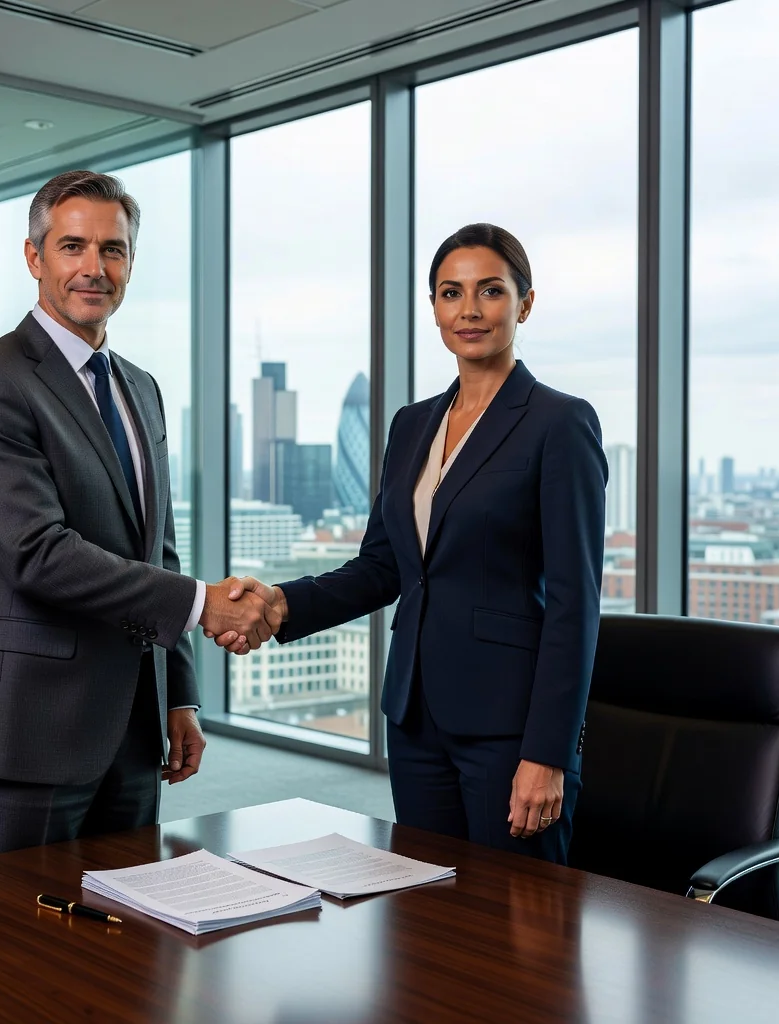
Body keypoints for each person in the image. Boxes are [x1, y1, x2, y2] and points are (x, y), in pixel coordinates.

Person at [214, 224, 607, 864]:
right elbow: (382, 566)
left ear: (525, 304)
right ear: (434, 309)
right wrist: (281, 604)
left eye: (490, 292)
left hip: (508, 729)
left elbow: (574, 603)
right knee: (427, 921)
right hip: (415, 717)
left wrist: (548, 753)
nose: (469, 311)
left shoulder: (559, 423)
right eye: (451, 293)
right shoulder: (412, 423)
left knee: (519, 929)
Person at [0, 170, 278, 858]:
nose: (94, 268)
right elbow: (37, 552)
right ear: (35, 259)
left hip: (133, 725)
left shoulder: (140, 389)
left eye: (113, 250)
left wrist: (178, 695)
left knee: (130, 943)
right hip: (31, 727)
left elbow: (160, 551)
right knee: (14, 944)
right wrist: (204, 604)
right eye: (72, 247)